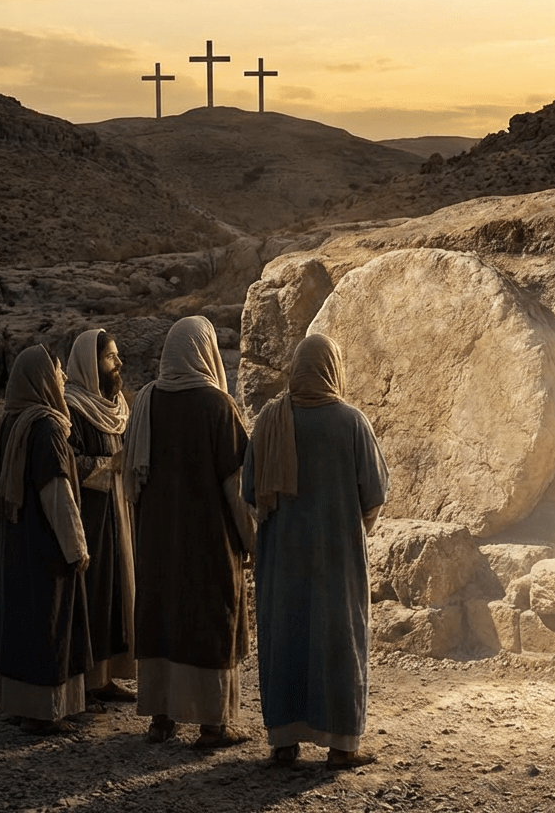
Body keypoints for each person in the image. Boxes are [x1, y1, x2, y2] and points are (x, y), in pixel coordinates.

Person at [243, 333, 389, 769]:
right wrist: (351, 530)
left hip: (282, 558)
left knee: (285, 636)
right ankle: (342, 745)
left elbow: (251, 491)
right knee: (338, 640)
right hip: (337, 558)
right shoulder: (352, 422)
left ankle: (284, 742)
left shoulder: (270, 419)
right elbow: (375, 494)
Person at [123, 315, 253, 748]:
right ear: (206, 351)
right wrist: (250, 540)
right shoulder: (219, 407)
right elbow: (236, 487)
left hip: (158, 540)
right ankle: (213, 724)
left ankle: (161, 719)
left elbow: (133, 477)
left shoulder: (146, 401)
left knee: (163, 616)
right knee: (209, 619)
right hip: (208, 541)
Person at [0, 345, 91, 735]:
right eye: (58, 371)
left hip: (16, 543)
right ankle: (44, 712)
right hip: (44, 546)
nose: (63, 378)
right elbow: (56, 493)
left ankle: (20, 704)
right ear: (42, 377)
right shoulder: (45, 427)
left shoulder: (11, 421)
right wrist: (76, 547)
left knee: (20, 621)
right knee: (48, 623)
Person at [65, 328, 135, 706]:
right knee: (94, 593)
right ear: (91, 365)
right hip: (89, 518)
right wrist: (110, 468)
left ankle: (106, 676)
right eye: (110, 356)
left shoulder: (118, 407)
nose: (118, 363)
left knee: (116, 591)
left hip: (119, 515)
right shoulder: (72, 408)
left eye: (117, 354)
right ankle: (86, 678)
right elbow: (66, 463)